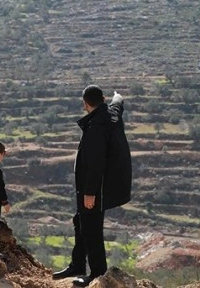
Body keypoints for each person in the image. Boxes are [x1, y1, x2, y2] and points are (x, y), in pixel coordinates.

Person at [53, 85, 132, 287]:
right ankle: (77, 265)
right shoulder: (110, 113)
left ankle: (97, 273)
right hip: (104, 187)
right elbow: (118, 104)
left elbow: (96, 164)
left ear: (85, 104)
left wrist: (90, 193)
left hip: (96, 189)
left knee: (92, 230)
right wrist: (117, 96)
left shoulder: (96, 127)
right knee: (81, 222)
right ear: (103, 100)